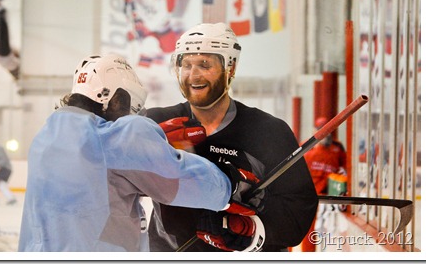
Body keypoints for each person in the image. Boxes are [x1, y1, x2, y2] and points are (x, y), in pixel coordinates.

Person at [18, 54, 262, 252]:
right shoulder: (116, 140)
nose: (130, 115)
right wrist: (230, 183)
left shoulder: (46, 138)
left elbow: (105, 181)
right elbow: (176, 180)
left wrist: (157, 141)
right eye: (129, 105)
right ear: (112, 98)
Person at [146, 22, 319, 252]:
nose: (193, 74)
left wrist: (252, 229)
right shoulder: (156, 123)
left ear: (231, 68)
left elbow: (298, 211)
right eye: (186, 64)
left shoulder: (269, 131)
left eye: (204, 64)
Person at [300, 116, 347, 252]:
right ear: (315, 130)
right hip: (309, 197)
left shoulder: (337, 149)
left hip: (329, 200)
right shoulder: (306, 147)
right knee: (308, 231)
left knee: (329, 234)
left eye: (328, 129)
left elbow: (345, 169)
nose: (325, 133)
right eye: (321, 129)